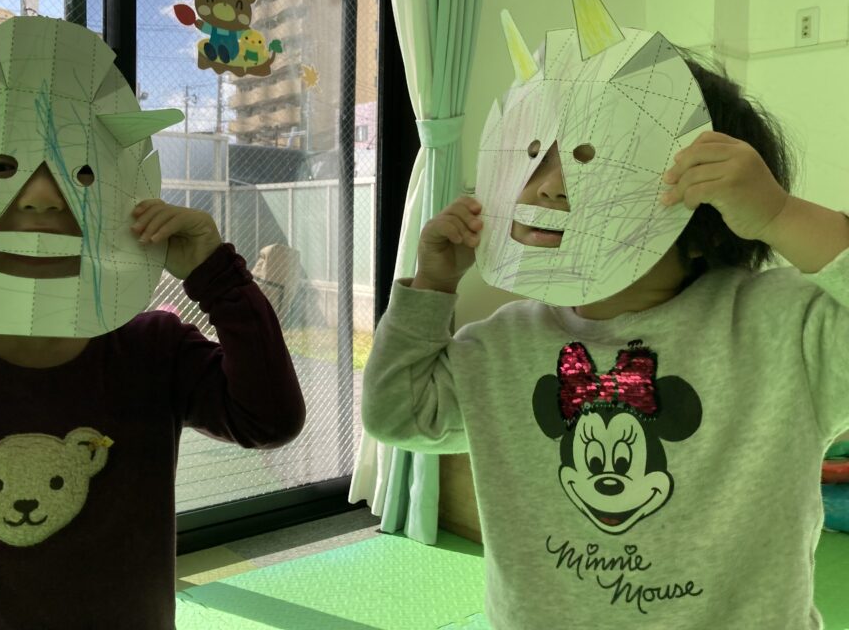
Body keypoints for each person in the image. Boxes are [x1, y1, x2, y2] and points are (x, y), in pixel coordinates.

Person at [0, 16, 305, 630]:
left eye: (83, 173)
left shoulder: (155, 351)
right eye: (2, 166)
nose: (43, 195)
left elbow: (269, 419)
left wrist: (218, 277)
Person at [361, 54, 849, 628]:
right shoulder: (503, 344)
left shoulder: (783, 326)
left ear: (711, 219)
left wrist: (780, 215)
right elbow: (398, 413)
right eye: (537, 158)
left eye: (596, 162)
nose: (549, 188)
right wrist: (432, 286)